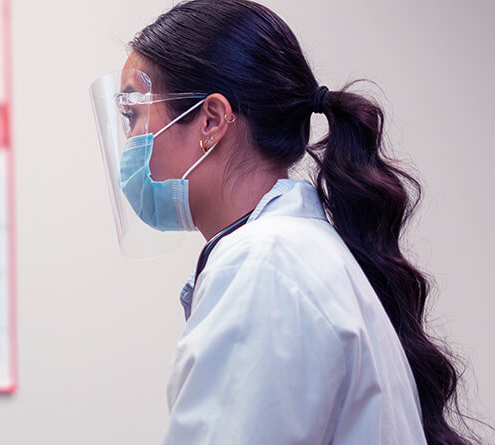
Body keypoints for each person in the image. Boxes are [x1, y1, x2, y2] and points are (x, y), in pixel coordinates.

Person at [90, 0, 476, 443]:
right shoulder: (290, 254)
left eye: (133, 115)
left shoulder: (264, 267)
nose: (129, 143)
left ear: (211, 121)